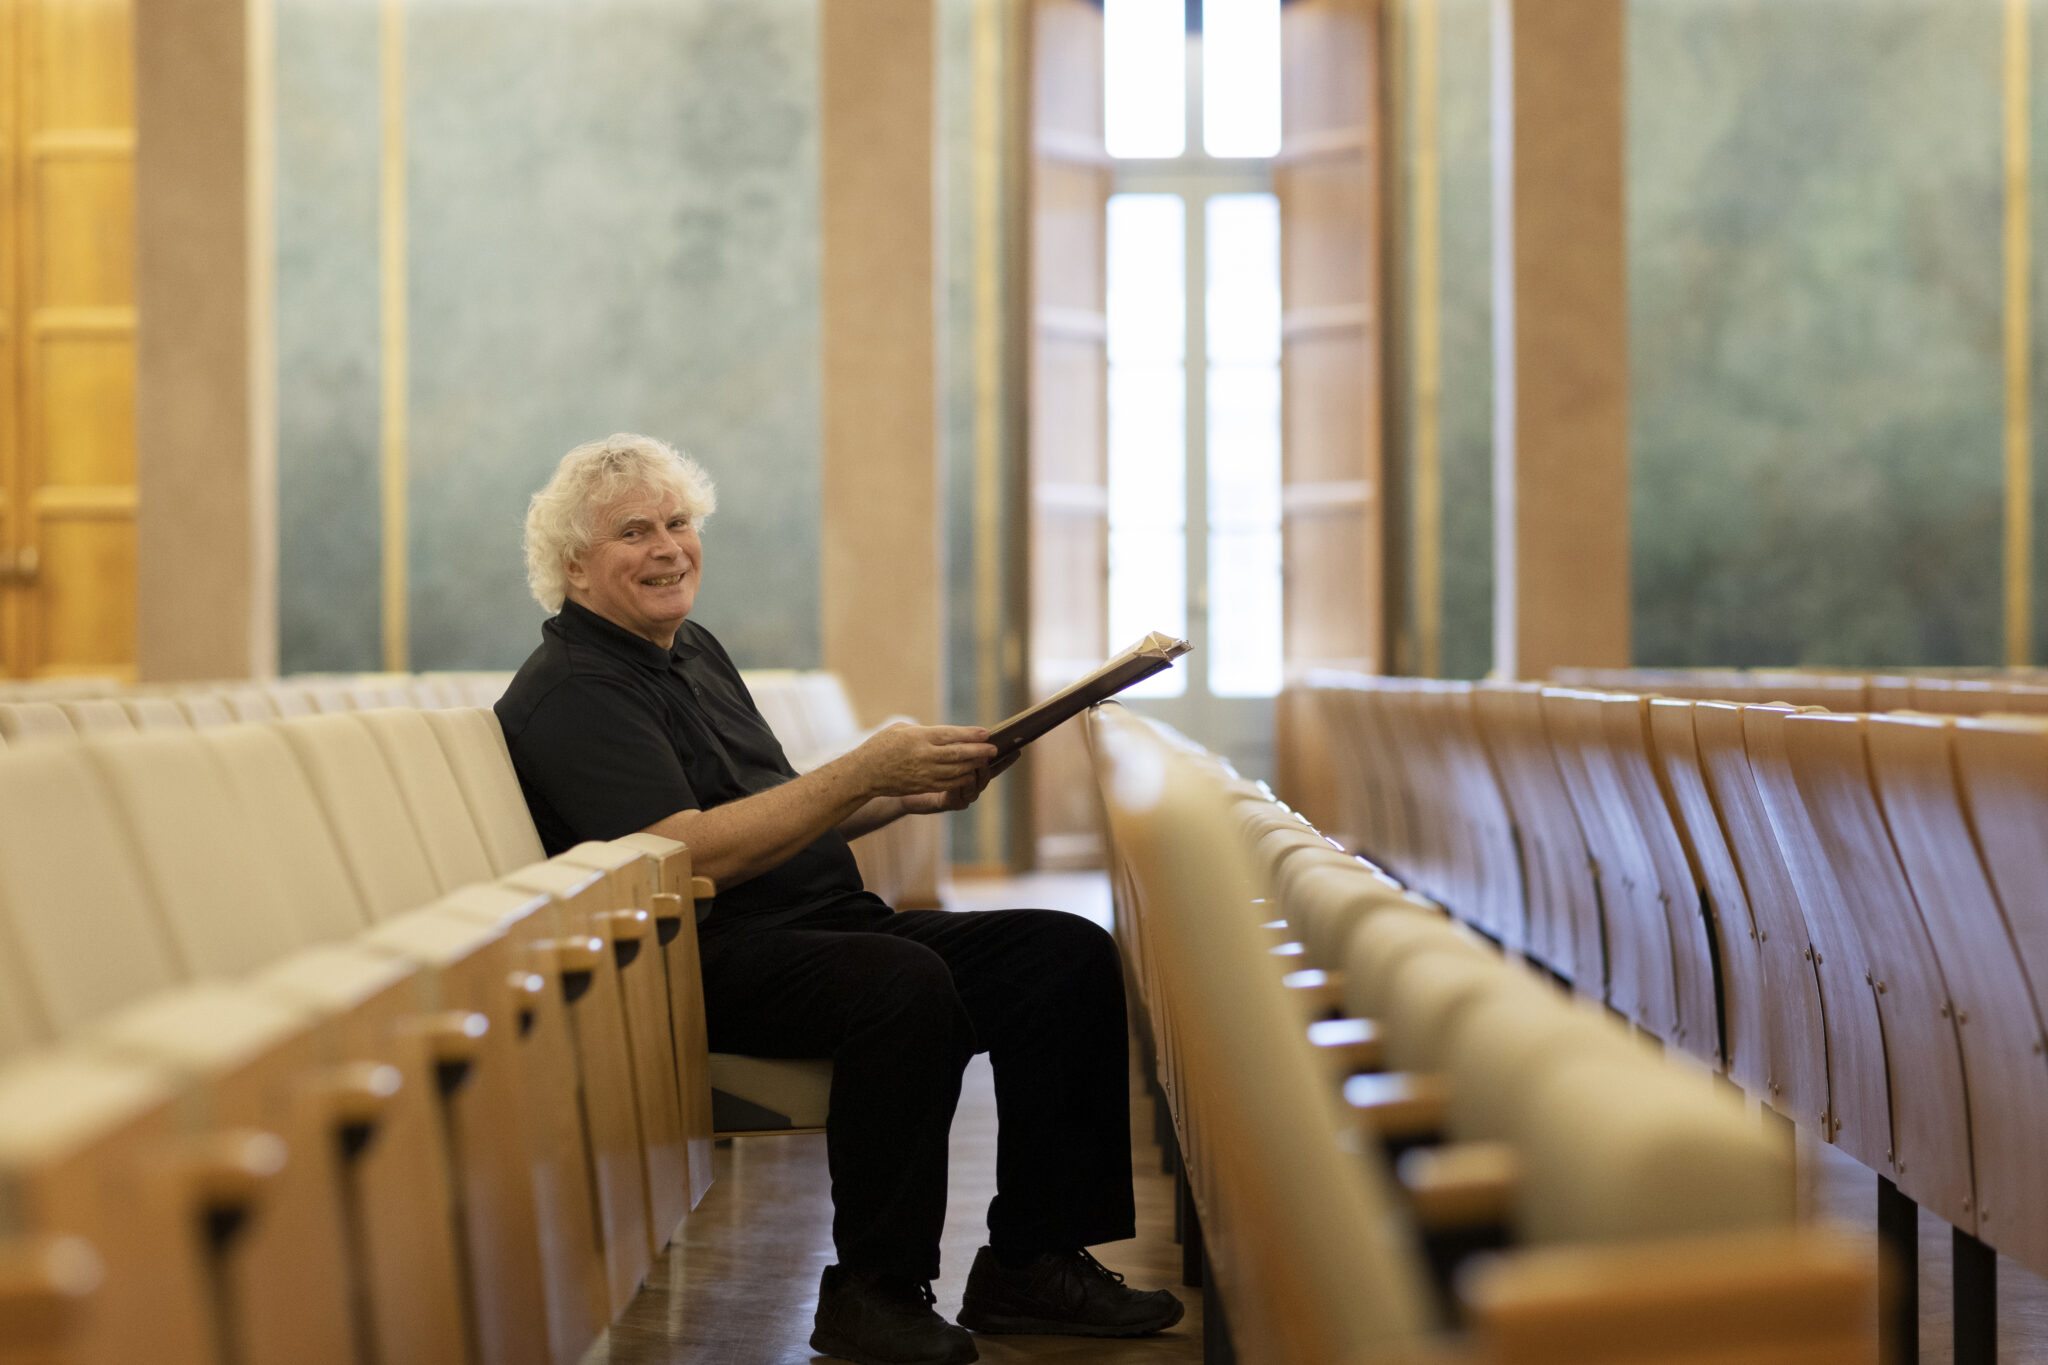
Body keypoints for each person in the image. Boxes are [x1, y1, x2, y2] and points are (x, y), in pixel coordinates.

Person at [496, 434, 1183, 1365]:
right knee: (897, 983)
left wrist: (907, 792)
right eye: (632, 532)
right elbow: (683, 853)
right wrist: (862, 765)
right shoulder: (573, 689)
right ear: (574, 565)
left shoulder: (690, 648)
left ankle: (1031, 1260)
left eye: (678, 522)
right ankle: (872, 1290)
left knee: (1061, 955)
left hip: (815, 924)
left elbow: (774, 813)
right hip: (695, 958)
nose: (667, 547)